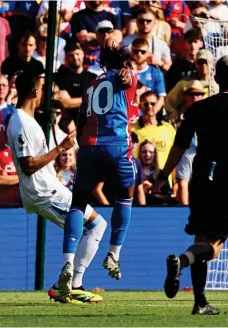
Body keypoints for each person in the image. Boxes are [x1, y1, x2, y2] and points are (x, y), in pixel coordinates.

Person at [152, 55, 228, 315]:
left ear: (215, 78)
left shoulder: (198, 108)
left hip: (200, 181)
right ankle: (182, 261)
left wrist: (161, 177)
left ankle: (200, 302)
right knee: (212, 248)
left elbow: (179, 147)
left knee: (200, 238)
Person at [6, 71, 106, 303]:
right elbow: (29, 165)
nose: (44, 93)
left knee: (92, 227)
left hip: (49, 187)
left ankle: (65, 285)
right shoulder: (20, 121)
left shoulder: (28, 120)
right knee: (97, 225)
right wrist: (61, 148)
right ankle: (73, 285)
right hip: (41, 191)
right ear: (34, 91)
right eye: (42, 88)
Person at [65, 39, 137, 286]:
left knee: (78, 203)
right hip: (116, 145)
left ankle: (67, 261)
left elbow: (80, 117)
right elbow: (126, 77)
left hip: (88, 147)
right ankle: (114, 255)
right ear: (124, 62)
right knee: (126, 195)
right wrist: (125, 75)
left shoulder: (91, 85)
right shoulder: (126, 74)